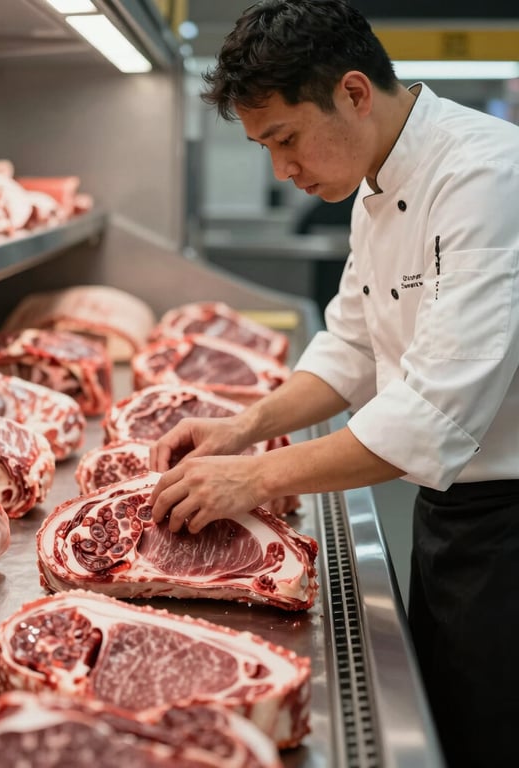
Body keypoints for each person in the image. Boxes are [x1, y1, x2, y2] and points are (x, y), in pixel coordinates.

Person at [148, 2, 519, 766]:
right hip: (452, 514)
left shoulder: (489, 177)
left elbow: (430, 414)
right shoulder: (376, 180)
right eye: (265, 148)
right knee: (454, 718)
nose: (281, 171)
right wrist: (243, 427)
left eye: (286, 139)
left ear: (354, 93)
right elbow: (350, 347)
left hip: (509, 527)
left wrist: (254, 477)